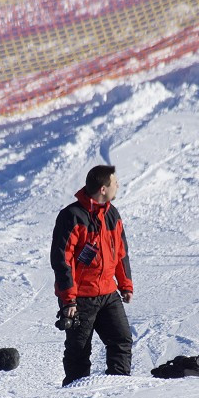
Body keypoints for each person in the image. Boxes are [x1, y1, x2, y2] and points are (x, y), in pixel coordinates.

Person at [51, 164, 133, 386]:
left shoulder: (112, 214)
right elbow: (62, 261)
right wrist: (68, 300)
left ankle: (118, 388)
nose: (118, 186)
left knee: (121, 340)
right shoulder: (72, 216)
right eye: (115, 183)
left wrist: (125, 285)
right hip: (80, 298)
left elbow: (121, 252)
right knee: (79, 352)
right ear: (103, 188)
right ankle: (75, 397)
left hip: (108, 293)